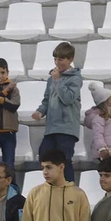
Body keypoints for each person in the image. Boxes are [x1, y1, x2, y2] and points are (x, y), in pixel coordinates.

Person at [31, 42, 82, 181]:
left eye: (61, 59)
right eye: (55, 59)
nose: (57, 62)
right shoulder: (51, 79)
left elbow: (68, 98)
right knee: (44, 154)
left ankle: (70, 188)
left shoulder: (75, 78)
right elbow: (47, 99)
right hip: (52, 127)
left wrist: (58, 81)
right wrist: (40, 111)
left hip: (66, 127)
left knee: (64, 159)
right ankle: (53, 185)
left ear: (70, 59)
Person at [22, 148, 90, 221]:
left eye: (49, 167)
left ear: (61, 167)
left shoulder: (78, 194)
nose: (45, 172)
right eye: (43, 168)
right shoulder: (35, 193)